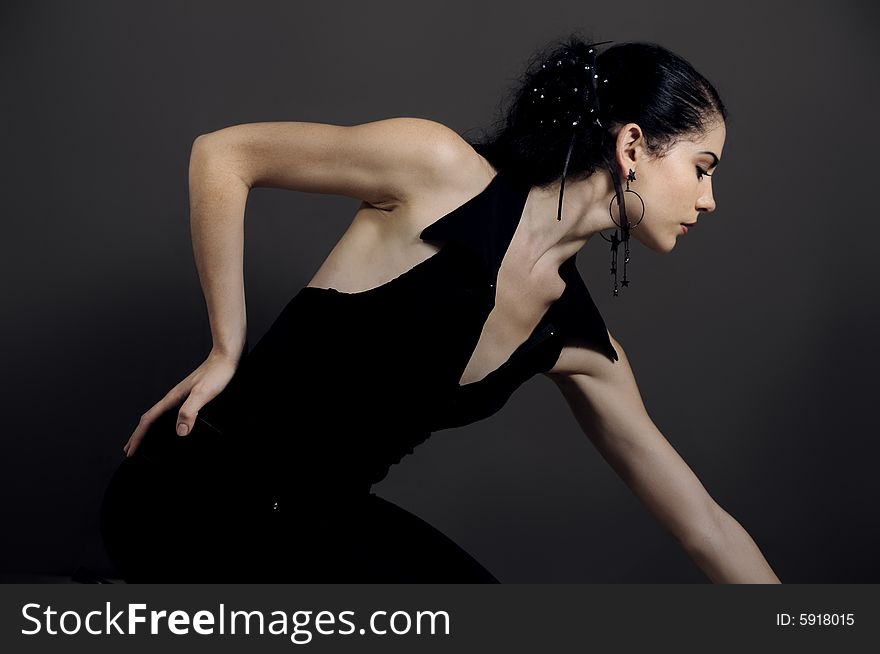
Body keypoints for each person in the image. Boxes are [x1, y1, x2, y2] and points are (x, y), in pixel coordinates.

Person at [99, 35, 781, 583]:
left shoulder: (574, 341)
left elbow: (703, 523)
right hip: (191, 498)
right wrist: (226, 348)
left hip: (316, 527)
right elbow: (223, 156)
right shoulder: (437, 170)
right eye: (703, 167)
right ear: (632, 147)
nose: (709, 199)